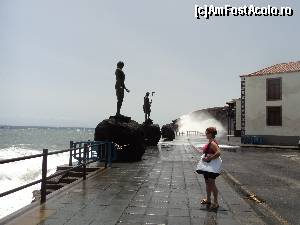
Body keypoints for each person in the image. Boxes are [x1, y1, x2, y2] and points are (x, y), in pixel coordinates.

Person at [199, 127, 221, 210]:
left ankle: (215, 202)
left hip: (211, 166)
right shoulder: (210, 142)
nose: (205, 134)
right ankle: (208, 199)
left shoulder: (212, 143)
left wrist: (209, 158)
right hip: (208, 166)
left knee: (212, 183)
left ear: (211, 134)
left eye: (207, 133)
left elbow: (218, 152)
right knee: (208, 182)